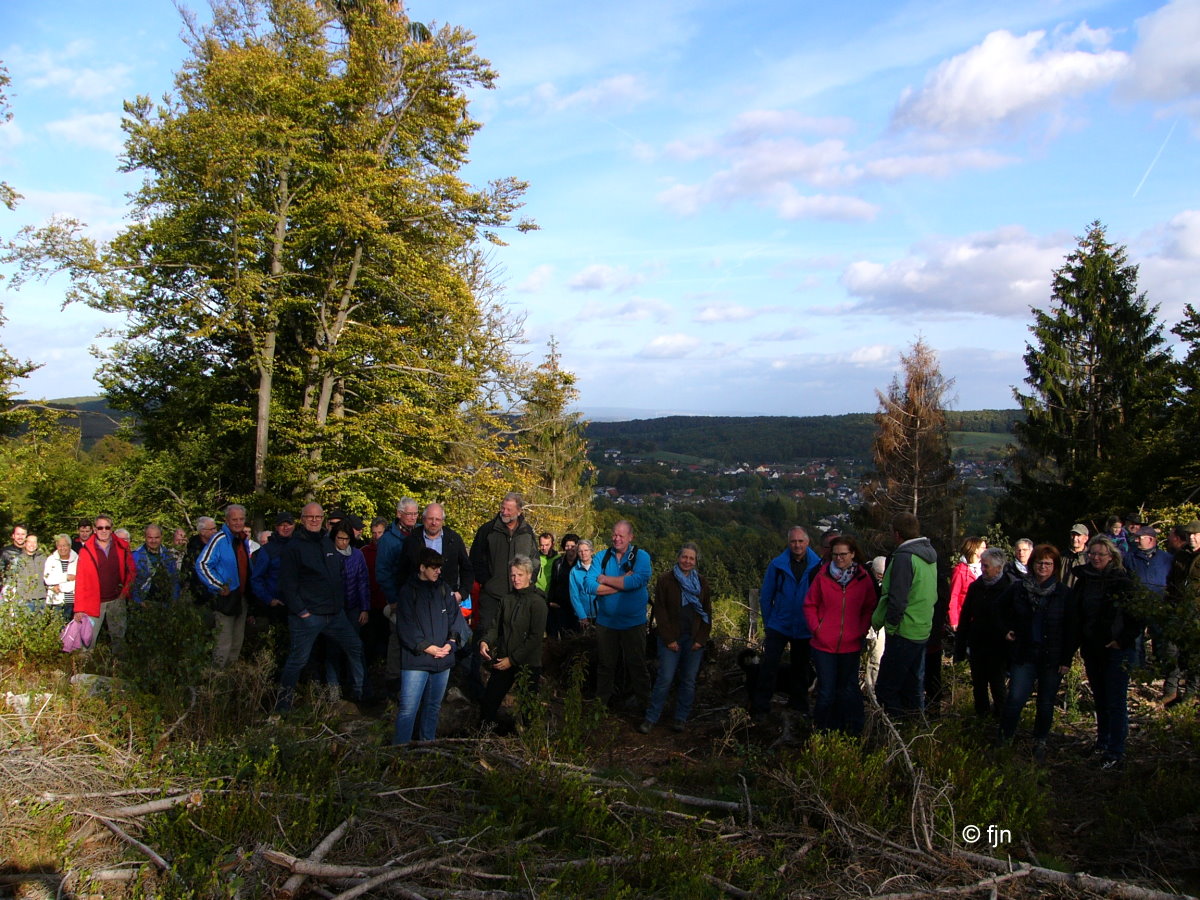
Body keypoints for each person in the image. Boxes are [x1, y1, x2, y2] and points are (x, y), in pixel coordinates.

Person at [275, 503, 367, 712]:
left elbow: (337, 576)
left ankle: (360, 693)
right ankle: (283, 706)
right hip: (308, 615)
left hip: (335, 614)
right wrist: (302, 612)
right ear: (302, 519)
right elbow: (287, 585)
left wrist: (340, 606)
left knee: (355, 646)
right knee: (298, 660)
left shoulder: (327, 544)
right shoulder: (294, 547)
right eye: (310, 517)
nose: (315, 520)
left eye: (318, 517)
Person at [997, 544, 1075, 760]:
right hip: (1024, 653)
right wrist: (1006, 630)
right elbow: (997, 609)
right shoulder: (1019, 588)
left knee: (1046, 702)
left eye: (1048, 563)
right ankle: (1004, 739)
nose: (1043, 567)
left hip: (1052, 656)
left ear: (1055, 567)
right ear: (1032, 565)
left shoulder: (1063, 594)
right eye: (1040, 562)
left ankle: (1039, 741)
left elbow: (1071, 629)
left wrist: (1067, 659)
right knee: (1015, 699)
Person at [1074, 535, 1141, 770]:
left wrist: (1121, 641)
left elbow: (1137, 614)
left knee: (1115, 700)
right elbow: (1077, 612)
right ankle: (1102, 742)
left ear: (1111, 556)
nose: (1095, 558)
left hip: (1117, 650)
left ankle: (1115, 750)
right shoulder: (1084, 579)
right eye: (1092, 553)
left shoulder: (1123, 580)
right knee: (1100, 699)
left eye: (1100, 554)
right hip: (1092, 647)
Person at [393, 548, 471, 744]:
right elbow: (406, 627)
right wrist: (427, 647)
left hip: (442, 660)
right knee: (408, 709)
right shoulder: (408, 592)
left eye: (439, 568)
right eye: (434, 568)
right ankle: (398, 751)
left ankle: (427, 746)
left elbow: (455, 620)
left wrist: (451, 643)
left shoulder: (444, 589)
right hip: (416, 661)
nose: (438, 571)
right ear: (422, 567)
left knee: (433, 706)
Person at [803, 536, 878, 735]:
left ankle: (853, 731)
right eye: (835, 554)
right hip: (823, 645)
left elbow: (869, 607)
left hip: (851, 644)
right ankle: (823, 732)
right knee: (826, 691)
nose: (839, 559)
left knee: (849, 690)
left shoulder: (862, 578)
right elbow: (810, 604)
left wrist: (860, 630)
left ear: (853, 554)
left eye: (843, 554)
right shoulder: (822, 576)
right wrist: (817, 629)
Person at [638, 542, 712, 734]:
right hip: (670, 639)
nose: (687, 561)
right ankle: (651, 718)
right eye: (684, 557)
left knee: (688, 681)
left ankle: (680, 718)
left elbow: (707, 612)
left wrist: (701, 639)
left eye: (691, 558)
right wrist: (669, 639)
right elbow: (660, 611)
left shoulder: (702, 582)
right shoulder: (665, 580)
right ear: (678, 557)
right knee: (665, 678)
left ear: (695, 561)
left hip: (694, 639)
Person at [871, 513, 938, 717]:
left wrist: (891, 624)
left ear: (897, 533)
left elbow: (897, 597)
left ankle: (897, 729)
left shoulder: (904, 557)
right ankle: (915, 728)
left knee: (886, 688)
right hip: (921, 628)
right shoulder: (928, 555)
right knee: (912, 686)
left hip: (903, 630)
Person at [751, 526, 821, 722]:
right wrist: (769, 621)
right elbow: (767, 595)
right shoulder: (778, 565)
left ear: (807, 542)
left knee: (801, 667)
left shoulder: (818, 566)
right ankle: (760, 706)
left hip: (805, 626)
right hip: (779, 624)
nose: (797, 545)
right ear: (788, 543)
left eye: (800, 541)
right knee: (769, 665)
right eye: (793, 541)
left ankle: (799, 704)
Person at [478, 555, 548, 728]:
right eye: (513, 575)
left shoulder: (538, 603)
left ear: (529, 575)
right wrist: (486, 641)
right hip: (504, 657)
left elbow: (535, 637)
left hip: (527, 663)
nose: (515, 579)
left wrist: (513, 660)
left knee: (527, 709)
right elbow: (496, 626)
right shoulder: (507, 599)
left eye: (519, 575)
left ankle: (528, 743)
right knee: (490, 701)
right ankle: (483, 737)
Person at [594, 520, 653, 713]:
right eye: (614, 534)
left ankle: (647, 708)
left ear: (630, 537)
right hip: (606, 623)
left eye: (621, 535)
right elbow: (589, 586)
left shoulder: (641, 556)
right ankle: (600, 706)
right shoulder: (601, 557)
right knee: (605, 666)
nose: (616, 538)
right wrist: (622, 583)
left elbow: (638, 580)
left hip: (633, 623)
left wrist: (605, 580)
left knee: (637, 665)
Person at [954, 547, 1012, 719]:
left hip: (998, 647)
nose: (983, 569)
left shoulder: (1009, 588)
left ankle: (1002, 721)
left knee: (997, 685)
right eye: (982, 565)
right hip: (978, 643)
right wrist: (960, 647)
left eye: (986, 566)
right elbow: (965, 617)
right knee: (978, 685)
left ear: (998, 568)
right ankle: (982, 719)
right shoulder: (976, 587)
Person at [469, 493, 537, 631]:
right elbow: (475, 559)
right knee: (485, 633)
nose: (504, 512)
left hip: (519, 595)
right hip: (491, 595)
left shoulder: (527, 532)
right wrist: (487, 582)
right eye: (502, 508)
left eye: (509, 510)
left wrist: (529, 582)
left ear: (519, 511)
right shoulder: (488, 530)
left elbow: (534, 561)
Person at [195, 505, 252, 669]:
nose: (238, 522)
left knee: (236, 644)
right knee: (223, 644)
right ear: (227, 521)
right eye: (234, 519)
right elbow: (202, 564)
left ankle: (230, 681)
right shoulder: (219, 539)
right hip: (226, 599)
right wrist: (218, 585)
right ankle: (215, 684)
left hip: (242, 597)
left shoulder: (242, 539)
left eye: (241, 519)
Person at [324, 521, 372, 697]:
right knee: (333, 649)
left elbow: (363, 582)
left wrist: (365, 608)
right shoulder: (327, 554)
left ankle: (359, 689)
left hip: (353, 607)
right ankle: (333, 690)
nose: (343, 542)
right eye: (339, 538)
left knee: (356, 648)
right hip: (332, 609)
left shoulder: (357, 555)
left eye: (346, 539)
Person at [73, 514, 134, 650]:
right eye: (100, 528)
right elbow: (80, 581)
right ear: (95, 529)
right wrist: (79, 608)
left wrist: (124, 592)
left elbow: (131, 571)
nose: (104, 530)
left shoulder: (121, 547)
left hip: (116, 600)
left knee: (119, 638)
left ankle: (119, 669)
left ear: (111, 529)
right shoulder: (86, 551)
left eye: (107, 527)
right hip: (93, 602)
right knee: (87, 640)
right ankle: (84, 668)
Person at [374, 498, 422, 608]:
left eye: (415, 514)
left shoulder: (422, 532)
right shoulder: (387, 540)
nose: (413, 517)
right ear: (399, 514)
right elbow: (383, 572)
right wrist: (393, 599)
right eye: (409, 514)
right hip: (400, 597)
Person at [131, 524, 180, 604]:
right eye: (150, 537)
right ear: (145, 538)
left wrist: (174, 600)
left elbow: (174, 580)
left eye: (156, 537)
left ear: (161, 537)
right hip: (142, 601)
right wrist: (138, 601)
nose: (153, 541)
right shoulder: (135, 555)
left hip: (165, 603)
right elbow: (131, 582)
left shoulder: (168, 556)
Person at [948, 536, 986, 632]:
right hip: (965, 617)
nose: (986, 550)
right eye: (983, 548)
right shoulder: (960, 570)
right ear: (974, 550)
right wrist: (954, 620)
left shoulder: (985, 568)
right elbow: (954, 596)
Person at [862, 556, 888, 701]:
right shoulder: (861, 577)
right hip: (862, 623)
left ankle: (872, 693)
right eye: (879, 575)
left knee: (877, 658)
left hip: (879, 625)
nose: (881, 578)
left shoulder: (890, 578)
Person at [547, 534, 580, 638]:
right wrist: (550, 601)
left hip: (578, 606)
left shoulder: (582, 562)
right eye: (567, 546)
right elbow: (553, 583)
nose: (569, 548)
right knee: (564, 636)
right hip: (561, 606)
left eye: (572, 546)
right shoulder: (558, 563)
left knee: (578, 636)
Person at [44, 534, 78, 622]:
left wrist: (61, 587)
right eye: (59, 545)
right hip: (56, 602)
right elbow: (48, 579)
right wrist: (66, 577)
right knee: (56, 630)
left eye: (65, 545)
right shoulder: (51, 559)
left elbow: (80, 581)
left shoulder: (78, 559)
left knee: (71, 631)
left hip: (73, 602)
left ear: (69, 546)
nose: (62, 548)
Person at [9, 534, 48, 609]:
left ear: (37, 544)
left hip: (41, 600)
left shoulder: (43, 558)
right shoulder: (18, 560)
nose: (32, 545)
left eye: (34, 542)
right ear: (25, 543)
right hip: (24, 600)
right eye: (29, 542)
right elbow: (11, 580)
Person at [569, 539, 598, 627]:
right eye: (580, 551)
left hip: (602, 614)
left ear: (591, 551)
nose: (583, 553)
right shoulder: (574, 571)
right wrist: (582, 616)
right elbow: (574, 595)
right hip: (584, 615)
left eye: (586, 550)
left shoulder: (600, 567)